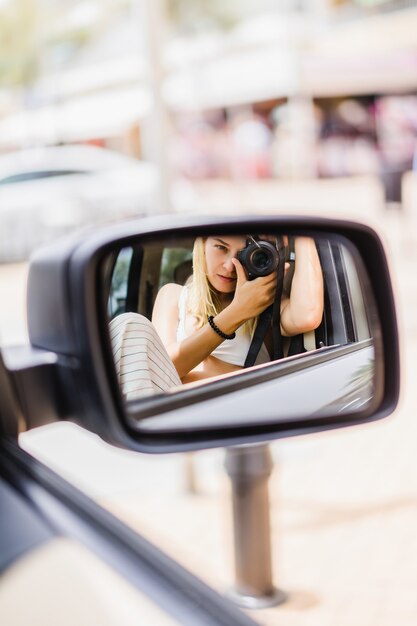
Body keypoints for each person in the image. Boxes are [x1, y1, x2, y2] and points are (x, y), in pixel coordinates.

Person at [152, 235, 324, 385]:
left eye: (244, 253)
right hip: (172, 414)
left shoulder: (265, 306)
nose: (229, 266)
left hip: (235, 412)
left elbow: (307, 316)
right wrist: (239, 311)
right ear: (202, 245)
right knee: (130, 322)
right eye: (221, 247)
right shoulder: (173, 295)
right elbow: (161, 370)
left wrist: (302, 235)